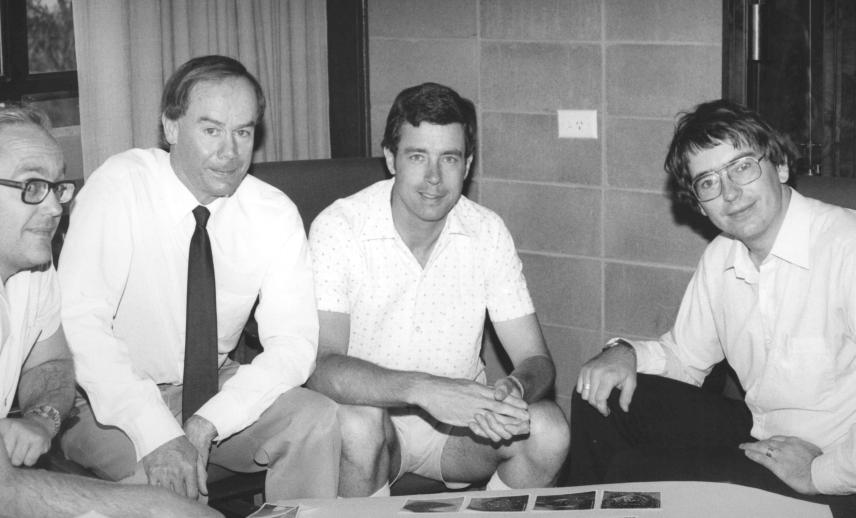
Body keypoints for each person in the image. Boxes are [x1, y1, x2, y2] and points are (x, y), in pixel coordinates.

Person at [57, 55, 339, 501]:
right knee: (167, 491)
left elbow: (294, 344)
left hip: (215, 387)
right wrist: (156, 432)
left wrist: (213, 419)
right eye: (211, 130)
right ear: (170, 128)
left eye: (243, 132)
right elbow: (81, 324)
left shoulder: (273, 212)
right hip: (108, 399)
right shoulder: (119, 187)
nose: (230, 152)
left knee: (318, 420)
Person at [568, 99, 856, 516]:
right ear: (701, 205)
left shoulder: (846, 246)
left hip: (835, 470)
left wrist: (820, 473)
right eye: (708, 182)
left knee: (634, 474)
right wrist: (624, 353)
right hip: (764, 442)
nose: (730, 193)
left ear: (779, 166)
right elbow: (685, 358)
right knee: (599, 391)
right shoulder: (721, 256)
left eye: (741, 167)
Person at [0, 105, 218, 517]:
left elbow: (52, 362)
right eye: (31, 186)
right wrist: (159, 506)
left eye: (57, 187)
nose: (54, 209)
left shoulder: (30, 260)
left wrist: (41, 419)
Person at [306, 82, 570, 497]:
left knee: (549, 429)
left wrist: (514, 389)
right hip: (373, 425)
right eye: (417, 156)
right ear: (391, 159)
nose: (433, 178)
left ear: (467, 165)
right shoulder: (339, 228)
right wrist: (426, 390)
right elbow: (321, 366)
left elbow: (535, 359)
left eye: (448, 158)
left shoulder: (487, 231)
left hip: (460, 433)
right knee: (359, 423)